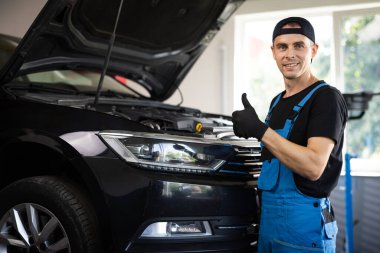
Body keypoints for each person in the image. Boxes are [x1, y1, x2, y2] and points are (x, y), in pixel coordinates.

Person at [232, 17, 348, 253]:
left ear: (313, 50)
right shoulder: (276, 102)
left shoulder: (325, 98)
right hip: (270, 224)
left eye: (299, 46)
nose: (289, 54)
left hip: (304, 230)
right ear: (273, 52)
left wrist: (260, 130)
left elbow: (314, 167)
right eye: (282, 47)